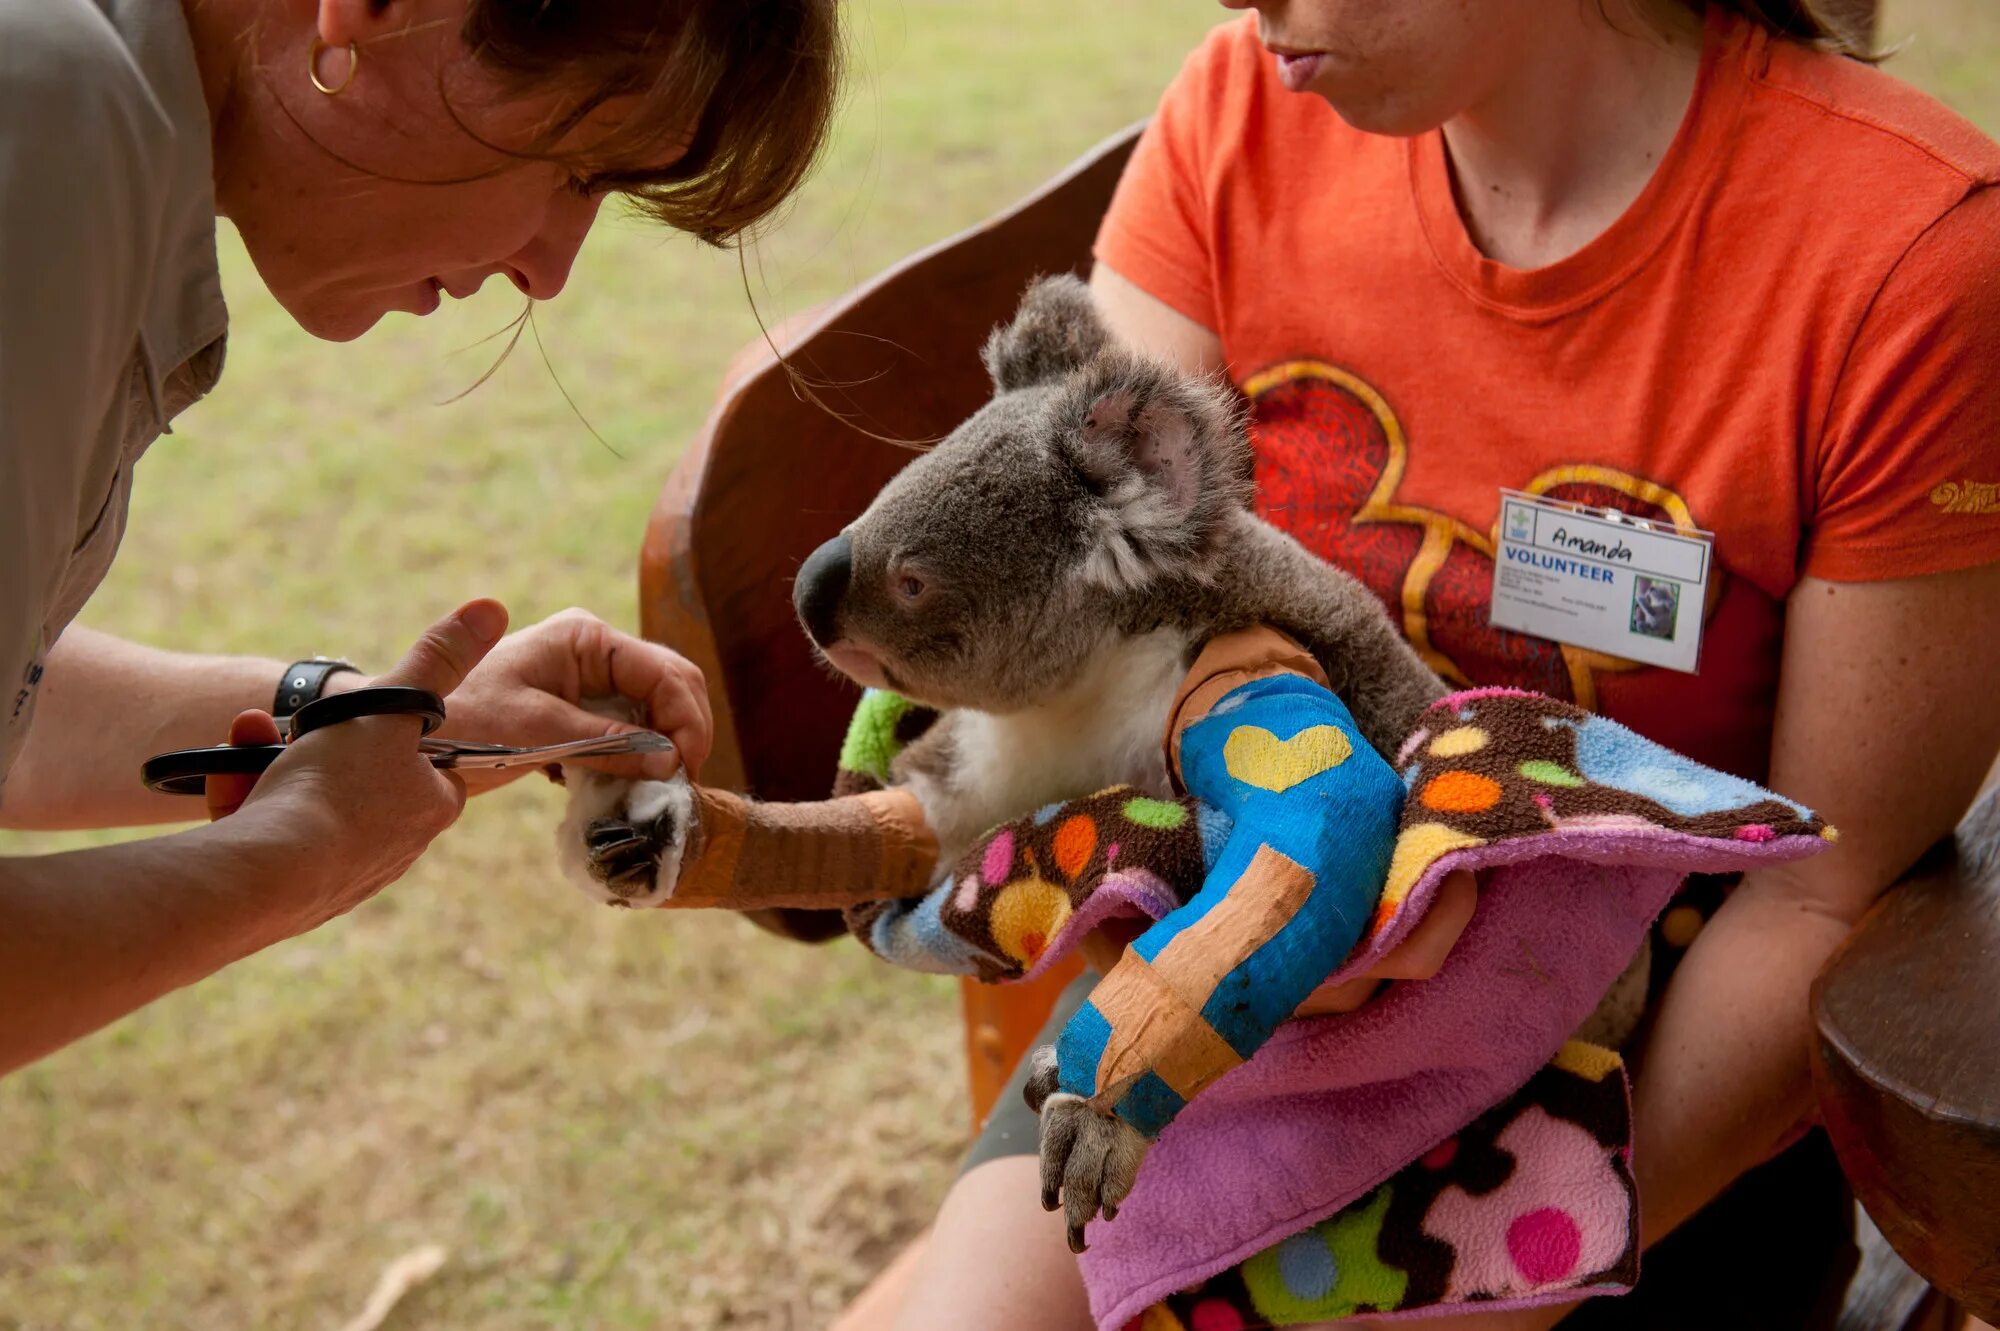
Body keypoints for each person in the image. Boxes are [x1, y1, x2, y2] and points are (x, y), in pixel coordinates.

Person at [863, 1, 2000, 1328]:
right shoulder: (1242, 113)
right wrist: (1259, 931)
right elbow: (1099, 626)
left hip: (1611, 1118)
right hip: (1217, 1044)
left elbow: (1824, 894)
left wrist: (1502, 1261)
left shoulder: (1909, 259)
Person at [0, 0, 839, 1077]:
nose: (551, 268)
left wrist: (358, 719)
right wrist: (299, 854)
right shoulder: (56, 119)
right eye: (578, 167)